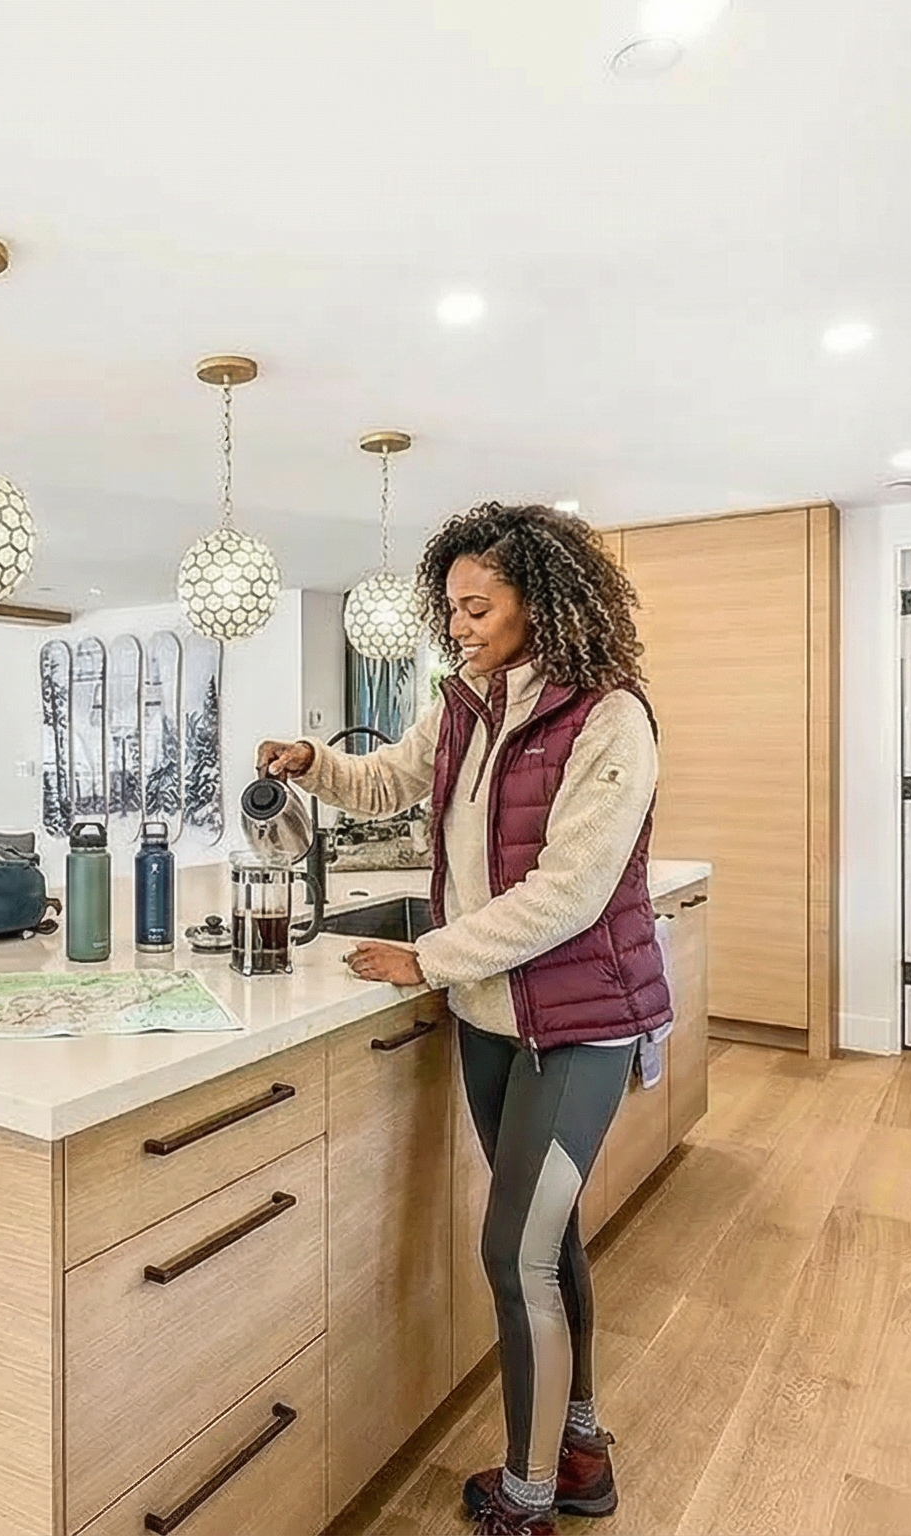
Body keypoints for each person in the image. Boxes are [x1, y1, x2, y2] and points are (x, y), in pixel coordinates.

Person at [259, 501, 665, 1536]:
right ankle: (577, 1452)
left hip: (578, 1022)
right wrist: (317, 764)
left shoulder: (608, 714)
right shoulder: (463, 704)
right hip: (491, 1014)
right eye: (452, 611)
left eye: (478, 608)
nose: (462, 626)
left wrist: (426, 957)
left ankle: (526, 1499)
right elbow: (393, 778)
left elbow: (570, 892)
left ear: (542, 597)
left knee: (513, 1252)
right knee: (546, 1237)